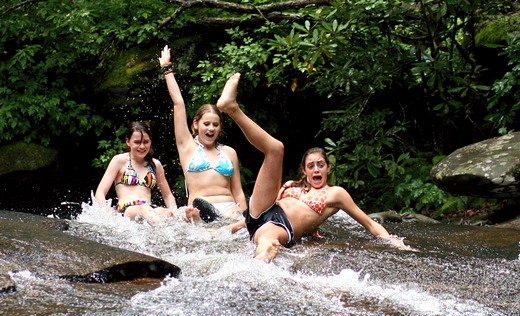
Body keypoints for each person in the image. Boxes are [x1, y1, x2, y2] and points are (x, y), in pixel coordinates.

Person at [217, 73, 405, 262]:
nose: (316, 170)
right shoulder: (290, 185)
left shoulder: (335, 193)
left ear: (328, 168)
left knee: (266, 242)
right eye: (311, 166)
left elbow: (369, 223)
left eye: (320, 165)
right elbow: (259, 213)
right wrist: (231, 228)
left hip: (282, 227)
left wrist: (393, 240)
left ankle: (261, 258)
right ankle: (231, 108)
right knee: (276, 149)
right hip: (261, 212)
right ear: (304, 171)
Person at [158, 45, 247, 222]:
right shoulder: (187, 146)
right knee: (196, 213)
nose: (211, 128)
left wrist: (246, 218)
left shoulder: (229, 152)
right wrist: (167, 69)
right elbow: (178, 104)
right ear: (196, 124)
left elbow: (238, 191)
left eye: (216, 124)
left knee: (234, 216)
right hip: (201, 210)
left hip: (230, 208)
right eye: (206, 124)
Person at [94, 121, 200, 223]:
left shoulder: (155, 165)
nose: (142, 146)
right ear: (128, 142)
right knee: (143, 209)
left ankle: (191, 220)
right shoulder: (119, 161)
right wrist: (105, 214)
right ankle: (163, 229)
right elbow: (100, 192)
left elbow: (167, 195)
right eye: (137, 142)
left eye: (145, 142)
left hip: (149, 210)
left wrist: (173, 211)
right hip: (127, 209)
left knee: (168, 212)